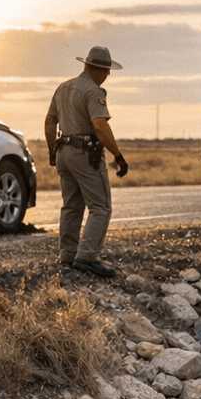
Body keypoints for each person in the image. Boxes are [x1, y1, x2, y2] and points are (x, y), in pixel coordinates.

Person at [44, 45, 129, 280]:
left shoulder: (63, 88)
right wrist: (118, 155)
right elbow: (100, 125)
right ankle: (87, 256)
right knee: (100, 207)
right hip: (85, 153)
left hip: (64, 152)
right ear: (98, 69)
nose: (108, 75)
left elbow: (50, 122)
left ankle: (67, 255)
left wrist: (52, 151)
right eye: (107, 70)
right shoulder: (93, 91)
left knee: (71, 206)